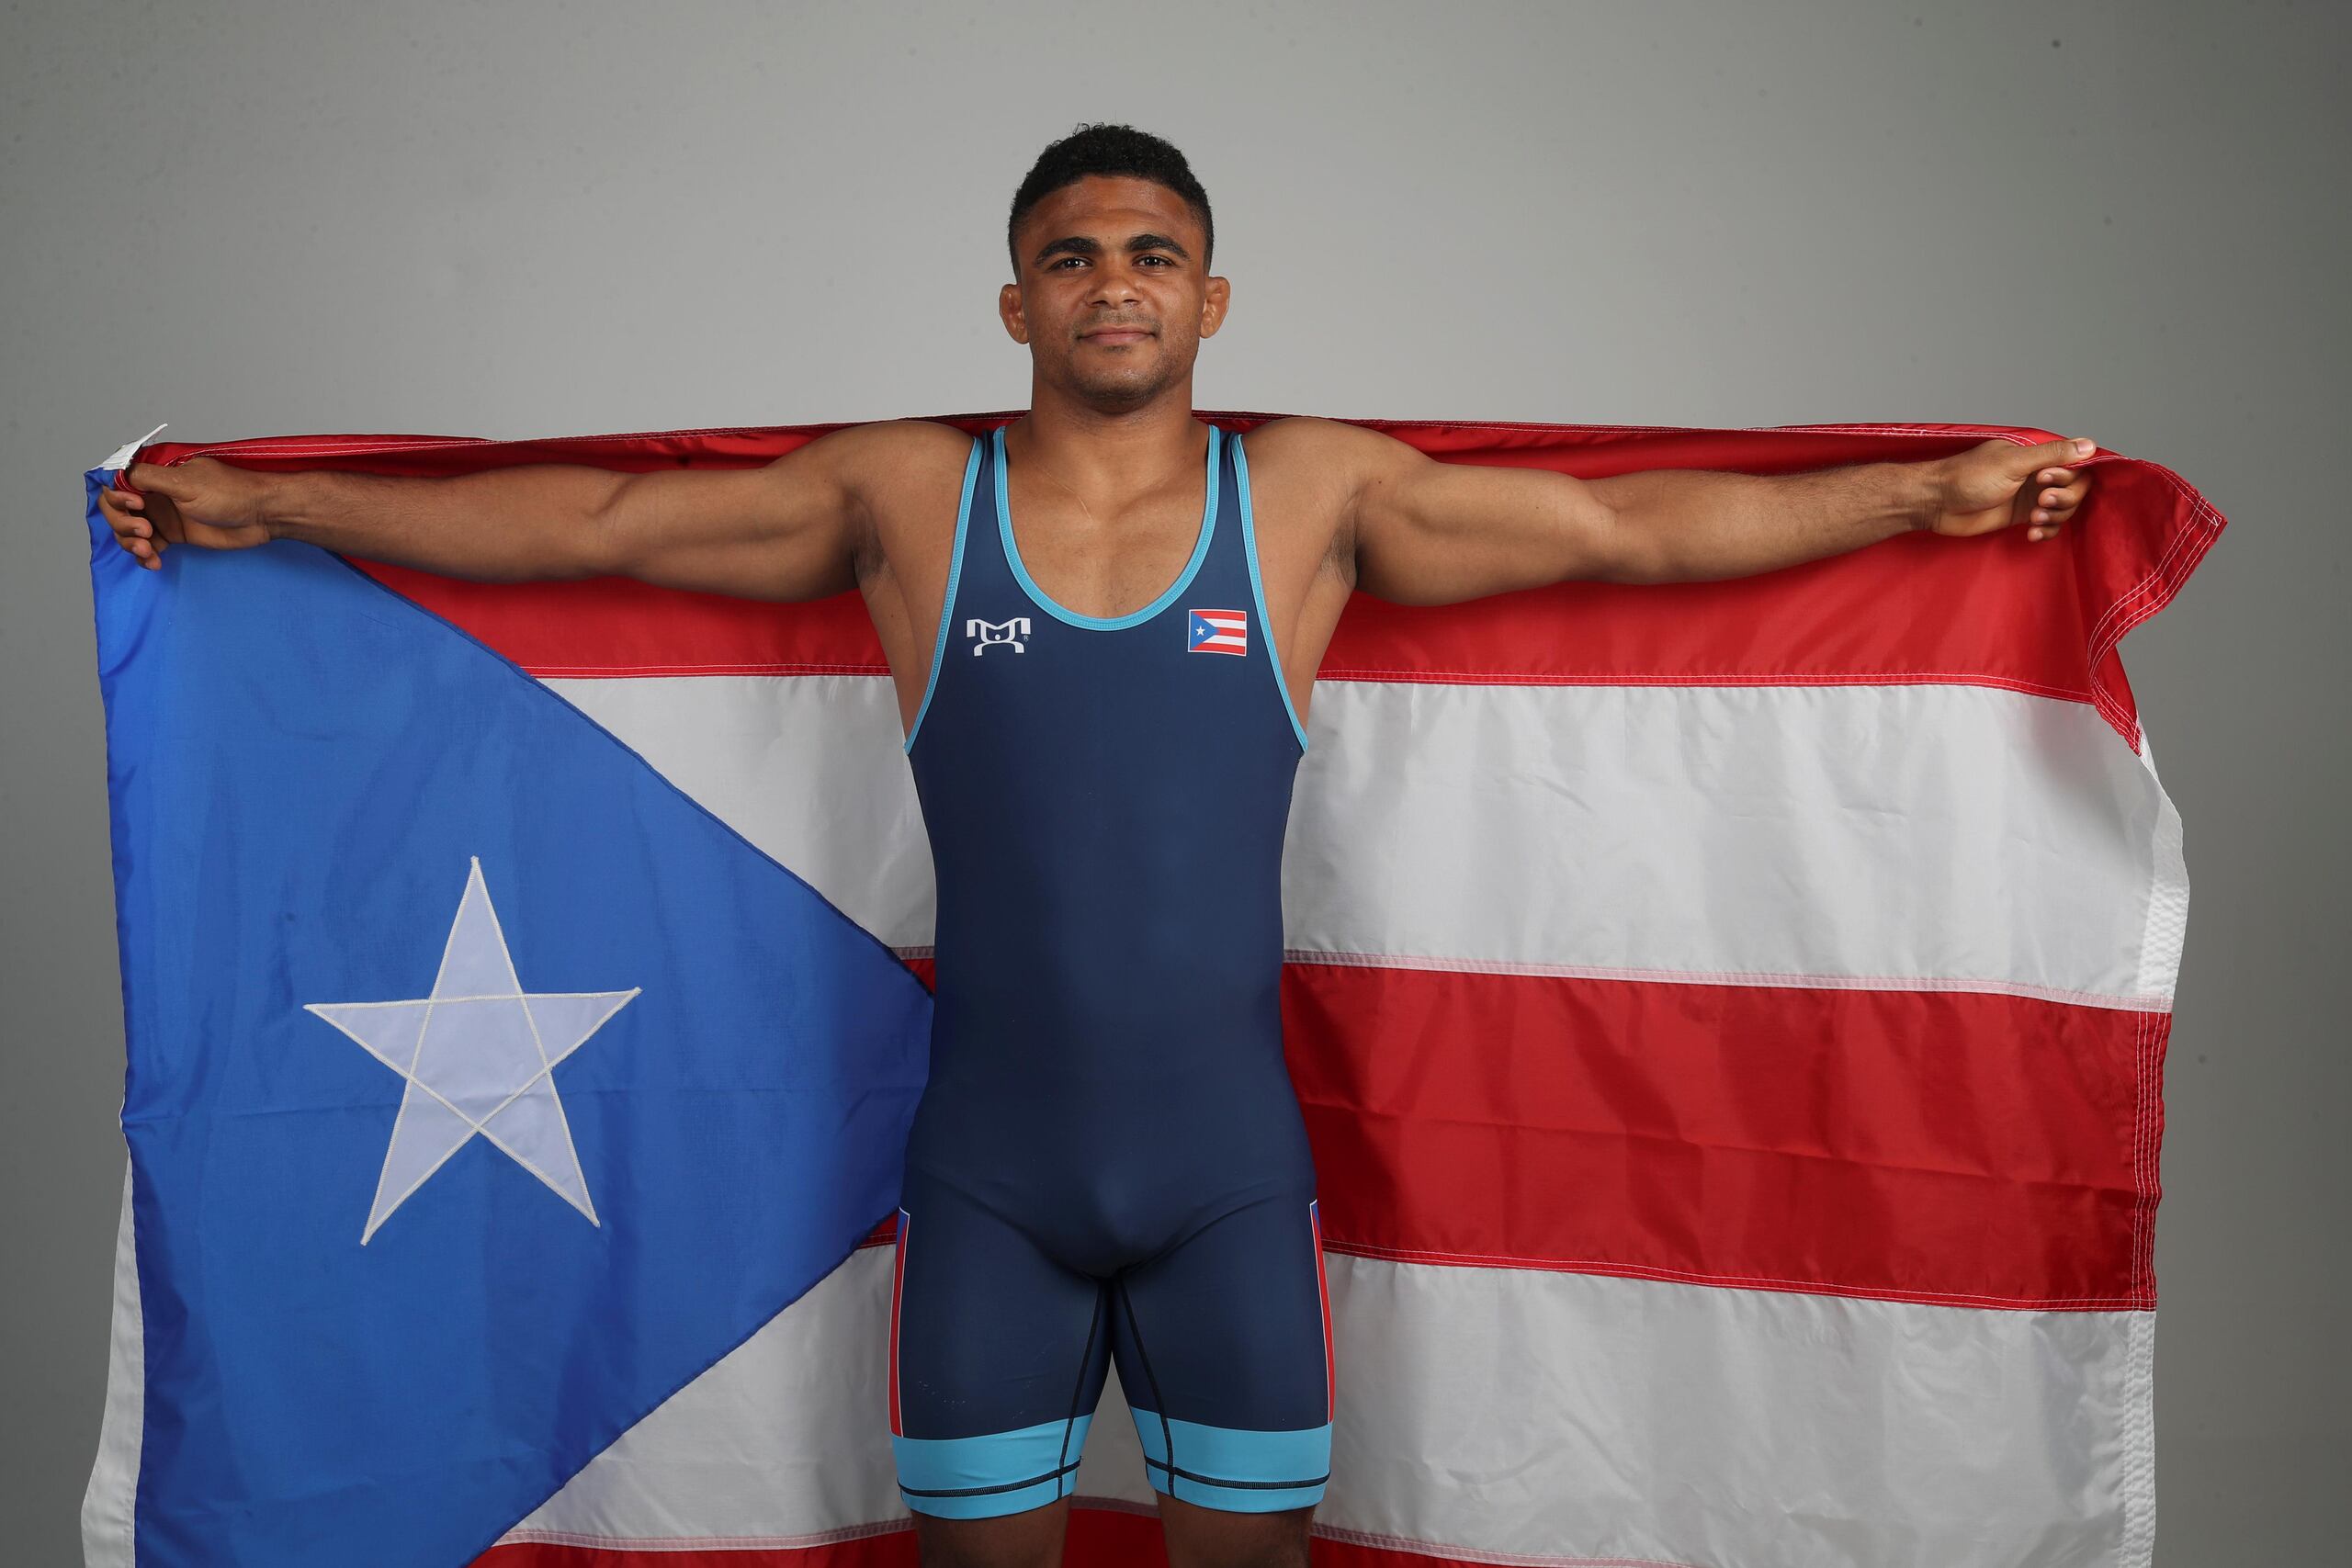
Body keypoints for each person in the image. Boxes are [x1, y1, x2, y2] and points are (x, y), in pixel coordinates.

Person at [96, 122, 2093, 1568]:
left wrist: (1921, 488)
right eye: (1070, 254)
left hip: (1228, 1174)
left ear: (1206, 295)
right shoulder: (904, 492)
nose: (1111, 283)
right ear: (1014, 294)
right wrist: (277, 504)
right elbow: (599, 524)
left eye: (1147, 253)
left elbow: (1627, 536)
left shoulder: (1308, 497)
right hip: (990, 1173)